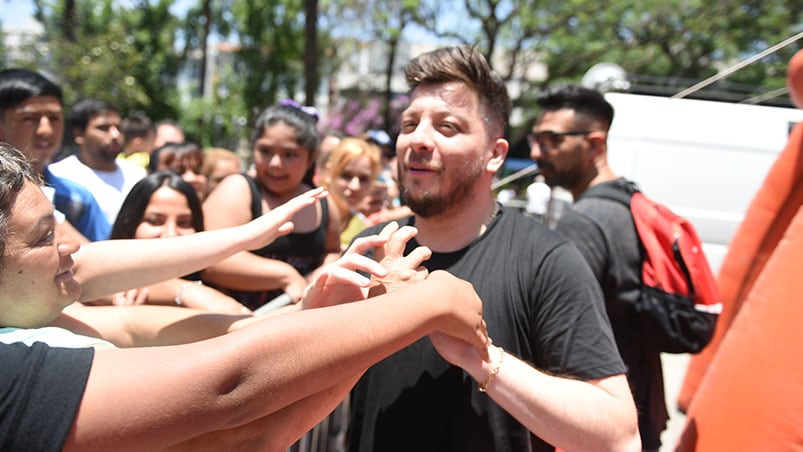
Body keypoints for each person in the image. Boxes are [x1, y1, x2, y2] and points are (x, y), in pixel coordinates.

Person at [0, 141, 490, 451]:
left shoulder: (37, 317)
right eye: (44, 237)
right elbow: (240, 413)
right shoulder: (13, 370)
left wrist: (320, 313)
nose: (72, 246)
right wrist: (420, 305)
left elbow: (145, 316)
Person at [346, 46, 640, 452]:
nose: (418, 140)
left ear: (495, 155)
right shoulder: (370, 248)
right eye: (409, 124)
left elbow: (617, 436)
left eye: (447, 127)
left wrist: (477, 356)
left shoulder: (546, 261)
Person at [530, 83, 665, 450]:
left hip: (603, 419)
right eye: (536, 139)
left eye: (550, 140)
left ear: (594, 145)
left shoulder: (585, 222)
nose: (536, 152)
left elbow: (560, 331)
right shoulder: (630, 200)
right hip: (641, 405)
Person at [202, 101, 341, 310]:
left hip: (301, 323)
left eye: (290, 154)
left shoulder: (322, 202)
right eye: (265, 151)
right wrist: (285, 275)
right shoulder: (237, 189)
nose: (275, 163)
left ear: (310, 157)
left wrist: (320, 274)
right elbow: (210, 261)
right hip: (235, 322)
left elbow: (333, 251)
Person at [103, 171, 248, 313]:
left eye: (184, 223)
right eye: (155, 221)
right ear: (129, 225)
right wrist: (185, 292)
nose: (171, 234)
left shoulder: (220, 295)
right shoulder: (98, 290)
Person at [0, 68, 110, 242]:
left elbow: (105, 258)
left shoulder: (77, 199)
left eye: (54, 118)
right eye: (29, 119)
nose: (46, 130)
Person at [48, 98, 147, 225]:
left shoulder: (137, 174)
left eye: (118, 127)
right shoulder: (58, 176)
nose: (115, 135)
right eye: (103, 128)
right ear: (79, 134)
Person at [320, 137, 383, 248]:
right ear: (329, 173)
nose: (355, 186)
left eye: (363, 179)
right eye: (346, 176)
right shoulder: (308, 213)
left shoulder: (362, 230)